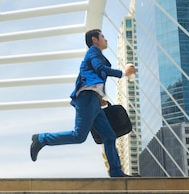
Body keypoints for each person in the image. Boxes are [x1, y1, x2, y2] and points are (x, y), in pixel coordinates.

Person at [30, 29, 137, 177]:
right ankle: (41, 139)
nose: (106, 40)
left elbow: (93, 75)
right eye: (103, 36)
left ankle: (116, 172)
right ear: (94, 40)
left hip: (93, 100)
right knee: (79, 136)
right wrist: (123, 73)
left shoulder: (96, 55)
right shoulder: (94, 52)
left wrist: (99, 97)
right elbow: (99, 68)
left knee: (109, 136)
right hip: (86, 99)